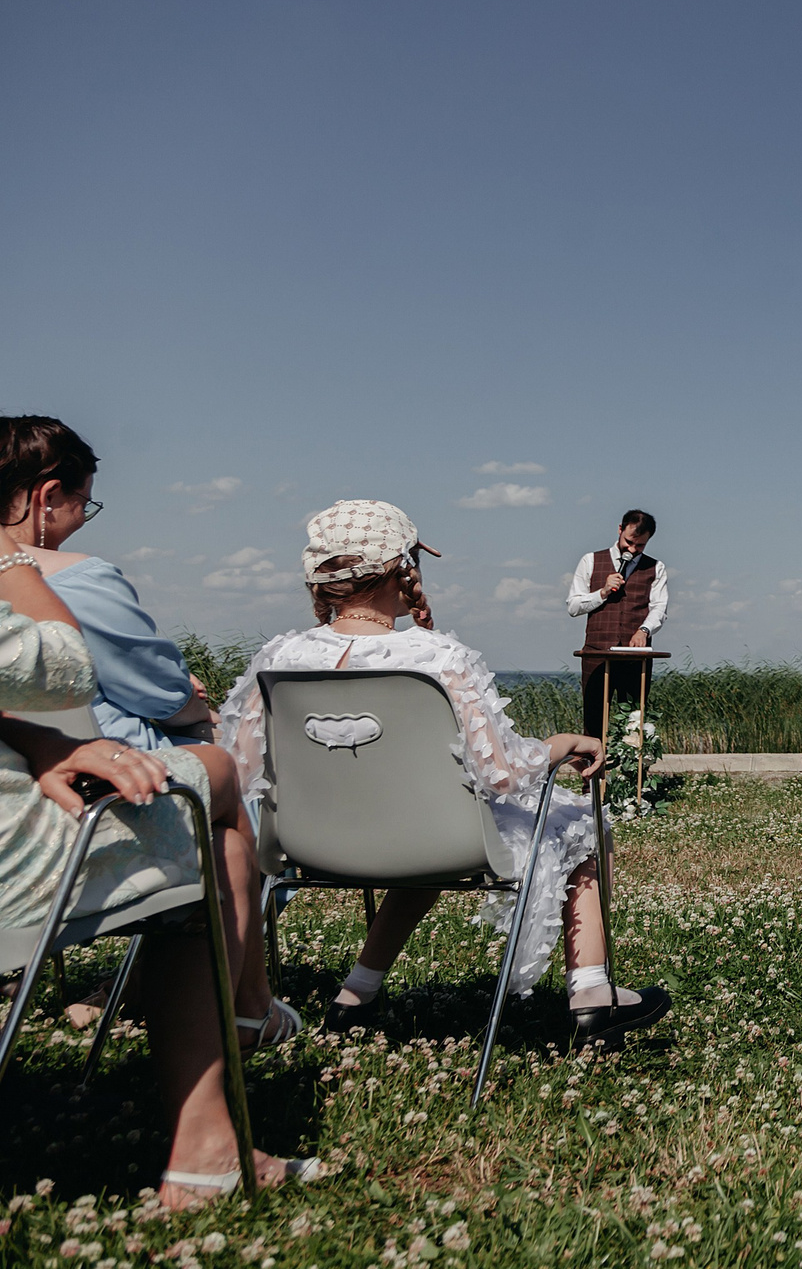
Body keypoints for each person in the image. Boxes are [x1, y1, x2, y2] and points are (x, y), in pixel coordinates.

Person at [219, 501, 673, 1043]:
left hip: (308, 844)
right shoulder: (438, 658)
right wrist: (564, 743)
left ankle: (354, 995)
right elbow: (503, 774)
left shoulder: (278, 658)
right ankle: (592, 992)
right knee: (576, 819)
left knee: (427, 831)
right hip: (430, 837)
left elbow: (241, 770)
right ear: (403, 568)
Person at [1, 515, 316, 1206]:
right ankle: (217, 1115)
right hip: (10, 861)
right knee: (217, 789)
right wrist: (7, 557)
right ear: (51, 496)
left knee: (211, 804)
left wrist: (29, 738)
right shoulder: (74, 574)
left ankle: (243, 1035)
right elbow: (64, 667)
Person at [1, 417, 218, 753]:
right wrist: (191, 701)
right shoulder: (81, 578)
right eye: (84, 505)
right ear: (50, 495)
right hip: (110, 778)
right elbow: (164, 698)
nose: (83, 519)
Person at [569, 510, 668, 739]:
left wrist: (644, 630)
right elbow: (573, 606)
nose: (632, 550)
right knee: (593, 719)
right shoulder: (591, 560)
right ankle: (593, 774)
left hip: (635, 657)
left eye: (640, 546)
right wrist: (602, 592)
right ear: (620, 529)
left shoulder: (656, 568)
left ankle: (632, 773)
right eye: (629, 542)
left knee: (634, 721)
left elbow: (659, 608)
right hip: (596, 653)